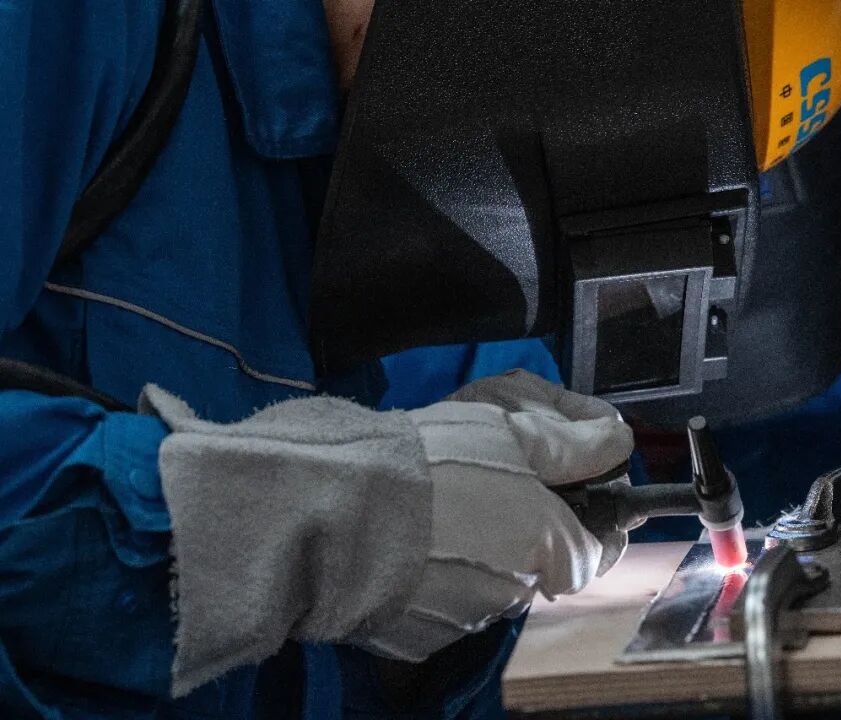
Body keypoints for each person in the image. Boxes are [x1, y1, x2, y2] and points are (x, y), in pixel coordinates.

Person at [0, 2, 634, 718]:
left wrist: (420, 613)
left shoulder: (338, 148)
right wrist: (295, 521)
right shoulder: (71, 25)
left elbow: (257, 669)